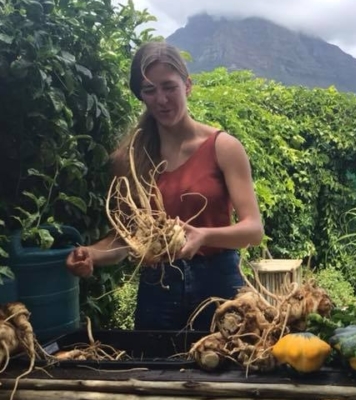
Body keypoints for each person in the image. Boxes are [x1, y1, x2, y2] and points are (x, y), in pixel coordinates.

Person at [65, 41, 264, 332]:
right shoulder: (132, 158)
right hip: (158, 290)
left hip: (219, 285)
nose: (161, 99)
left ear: (188, 86)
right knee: (152, 372)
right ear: (141, 96)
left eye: (169, 87)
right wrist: (91, 254)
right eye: (150, 90)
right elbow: (127, 240)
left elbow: (253, 231)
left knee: (226, 369)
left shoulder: (224, 148)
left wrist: (204, 236)